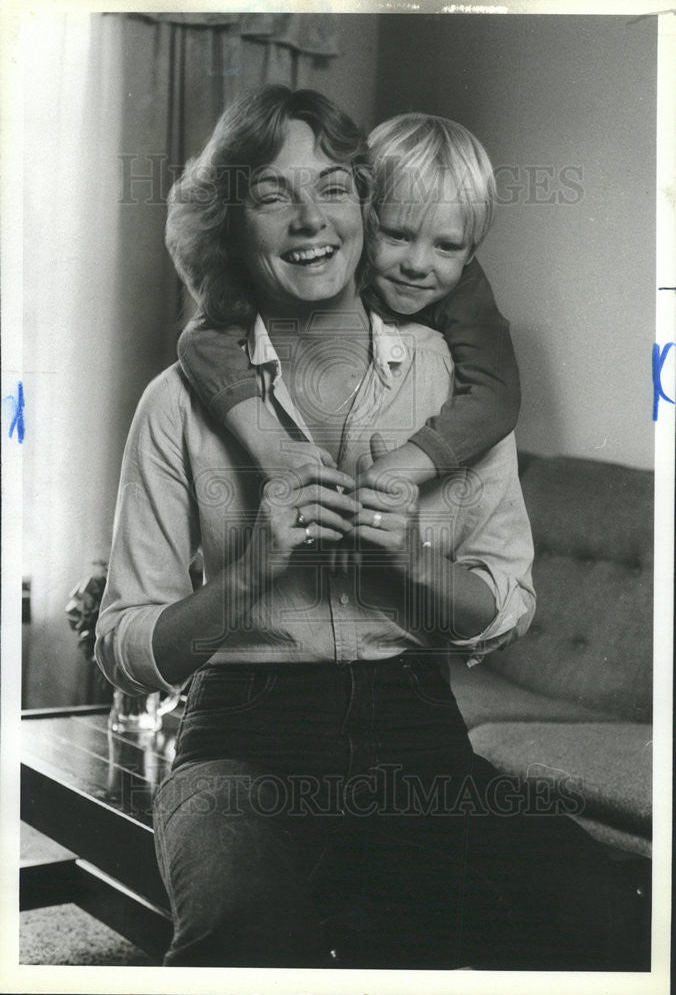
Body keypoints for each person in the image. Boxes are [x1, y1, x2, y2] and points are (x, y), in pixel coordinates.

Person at [95, 85, 650, 970]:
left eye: (333, 187)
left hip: (416, 733)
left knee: (605, 920)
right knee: (243, 933)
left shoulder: (455, 389)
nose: (310, 218)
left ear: (364, 197)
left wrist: (413, 561)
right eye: (273, 195)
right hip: (241, 741)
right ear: (232, 225)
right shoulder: (175, 402)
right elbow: (122, 647)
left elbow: (504, 609)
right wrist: (249, 573)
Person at [176, 112, 520, 485]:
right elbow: (202, 339)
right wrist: (267, 443)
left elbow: (496, 396)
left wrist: (402, 466)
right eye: (397, 235)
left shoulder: (466, 293)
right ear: (361, 217)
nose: (419, 265)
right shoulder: (321, 271)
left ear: (470, 253)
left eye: (448, 246)